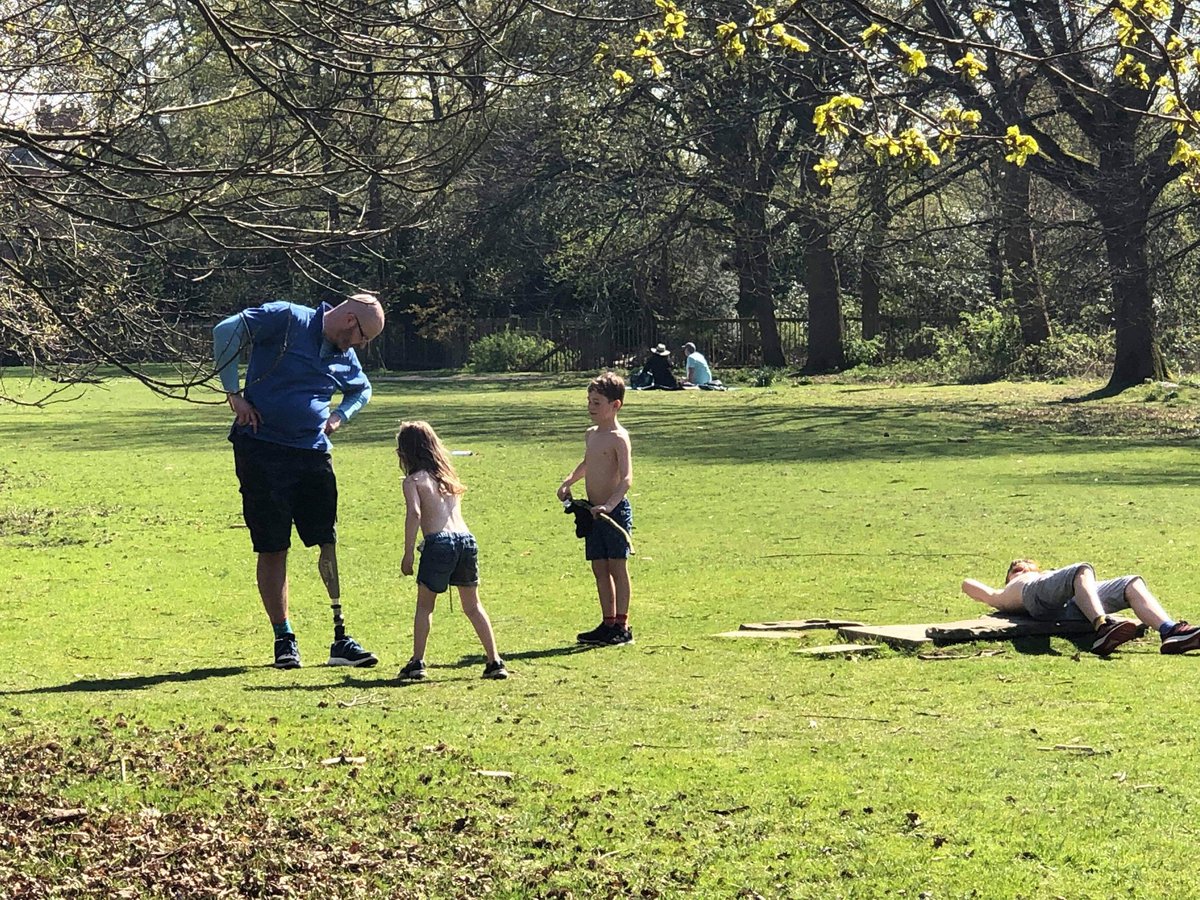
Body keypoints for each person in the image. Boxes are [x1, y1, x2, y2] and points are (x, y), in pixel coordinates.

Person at [213, 292, 386, 670]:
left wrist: (342, 415)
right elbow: (226, 331)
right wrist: (234, 395)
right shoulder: (286, 318)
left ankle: (341, 639)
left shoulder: (343, 355)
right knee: (273, 545)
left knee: (327, 540)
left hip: (312, 453)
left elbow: (363, 389)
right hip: (262, 449)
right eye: (361, 339)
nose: (358, 347)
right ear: (350, 322)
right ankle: (284, 639)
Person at [395, 421, 508, 681]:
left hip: (439, 543)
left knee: (425, 606)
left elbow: (415, 513)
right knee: (473, 605)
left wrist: (408, 552)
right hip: (466, 540)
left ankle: (417, 661)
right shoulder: (448, 478)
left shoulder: (413, 481)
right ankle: (494, 660)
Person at [961, 559, 1200, 655]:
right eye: (1016, 569)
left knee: (1131, 582)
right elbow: (969, 585)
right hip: (1034, 598)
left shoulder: (1049, 577)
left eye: (1027, 566)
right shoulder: (1009, 589)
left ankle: (1170, 632)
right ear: (1008, 577)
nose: (1022, 568)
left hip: (1073, 603)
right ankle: (1102, 627)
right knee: (1081, 569)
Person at [557, 372, 635, 645]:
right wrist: (568, 481)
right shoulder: (591, 435)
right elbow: (587, 463)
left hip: (612, 513)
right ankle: (607, 622)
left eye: (597, 402)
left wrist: (609, 505)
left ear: (615, 405)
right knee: (599, 568)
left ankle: (622, 627)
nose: (591, 407)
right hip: (592, 512)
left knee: (617, 567)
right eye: (589, 401)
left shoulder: (618, 437)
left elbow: (626, 478)